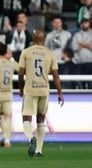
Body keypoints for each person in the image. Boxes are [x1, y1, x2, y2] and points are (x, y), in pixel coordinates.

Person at [18, 29, 64, 157]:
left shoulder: (26, 52)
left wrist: (21, 88)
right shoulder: (50, 54)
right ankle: (39, 150)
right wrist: (60, 93)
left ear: (33, 39)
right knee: (41, 119)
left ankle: (30, 139)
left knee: (26, 118)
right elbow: (55, 75)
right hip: (44, 89)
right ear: (43, 40)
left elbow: (21, 73)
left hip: (30, 89)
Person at [71, 18, 92, 89]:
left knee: (91, 84)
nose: (84, 24)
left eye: (86, 23)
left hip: (90, 62)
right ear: (80, 24)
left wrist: (81, 43)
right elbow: (73, 47)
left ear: (89, 23)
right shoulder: (76, 35)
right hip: (79, 62)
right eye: (82, 23)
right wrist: (88, 45)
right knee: (80, 84)